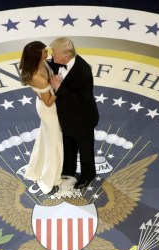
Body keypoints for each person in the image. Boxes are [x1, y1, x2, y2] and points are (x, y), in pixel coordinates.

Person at [48, 37, 99, 190]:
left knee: (85, 149)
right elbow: (47, 64)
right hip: (67, 117)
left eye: (54, 53)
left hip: (83, 119)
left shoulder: (83, 71)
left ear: (66, 56)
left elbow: (81, 100)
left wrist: (59, 88)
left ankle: (88, 175)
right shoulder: (58, 62)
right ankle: (68, 171)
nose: (52, 56)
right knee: (68, 144)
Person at [20, 41, 63, 195]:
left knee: (46, 138)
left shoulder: (42, 65)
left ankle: (37, 169)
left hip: (46, 105)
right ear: (38, 55)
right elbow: (48, 101)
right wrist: (59, 88)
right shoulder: (38, 78)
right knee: (54, 143)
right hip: (48, 109)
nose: (47, 52)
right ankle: (50, 178)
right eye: (45, 51)